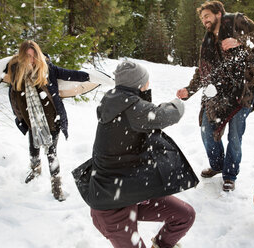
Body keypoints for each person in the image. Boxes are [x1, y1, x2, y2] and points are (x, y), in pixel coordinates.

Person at [72, 61, 199, 248]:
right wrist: (177, 103)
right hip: (111, 207)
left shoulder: (117, 101)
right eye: (146, 81)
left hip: (132, 191)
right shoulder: (131, 108)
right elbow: (167, 115)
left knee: (184, 215)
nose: (148, 84)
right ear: (139, 84)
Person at [176, 1, 254, 191]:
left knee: (235, 137)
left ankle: (230, 174)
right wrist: (189, 90)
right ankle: (217, 165)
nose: (204, 20)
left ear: (218, 13)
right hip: (217, 92)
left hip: (242, 91)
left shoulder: (236, 21)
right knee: (206, 130)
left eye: (207, 16)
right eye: (202, 18)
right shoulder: (208, 40)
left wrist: (240, 40)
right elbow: (204, 70)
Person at [0, 40, 90, 201]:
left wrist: (91, 76)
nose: (32, 59)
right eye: (28, 56)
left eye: (35, 55)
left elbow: (70, 74)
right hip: (31, 121)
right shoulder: (15, 68)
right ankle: (35, 170)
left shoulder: (48, 69)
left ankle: (56, 187)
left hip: (52, 120)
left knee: (51, 154)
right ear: (22, 56)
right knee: (33, 149)